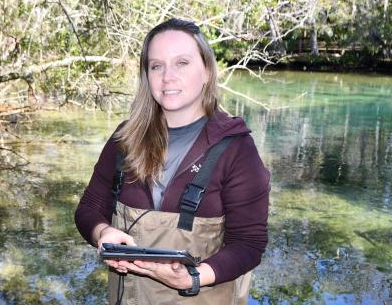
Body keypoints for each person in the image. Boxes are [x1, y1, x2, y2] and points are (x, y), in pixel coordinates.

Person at [74, 18, 270, 305]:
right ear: (147, 75)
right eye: (157, 66)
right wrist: (102, 232)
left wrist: (192, 277)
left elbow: (249, 244)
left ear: (206, 71)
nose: (167, 77)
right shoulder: (124, 139)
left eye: (182, 63)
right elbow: (89, 208)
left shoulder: (237, 149)